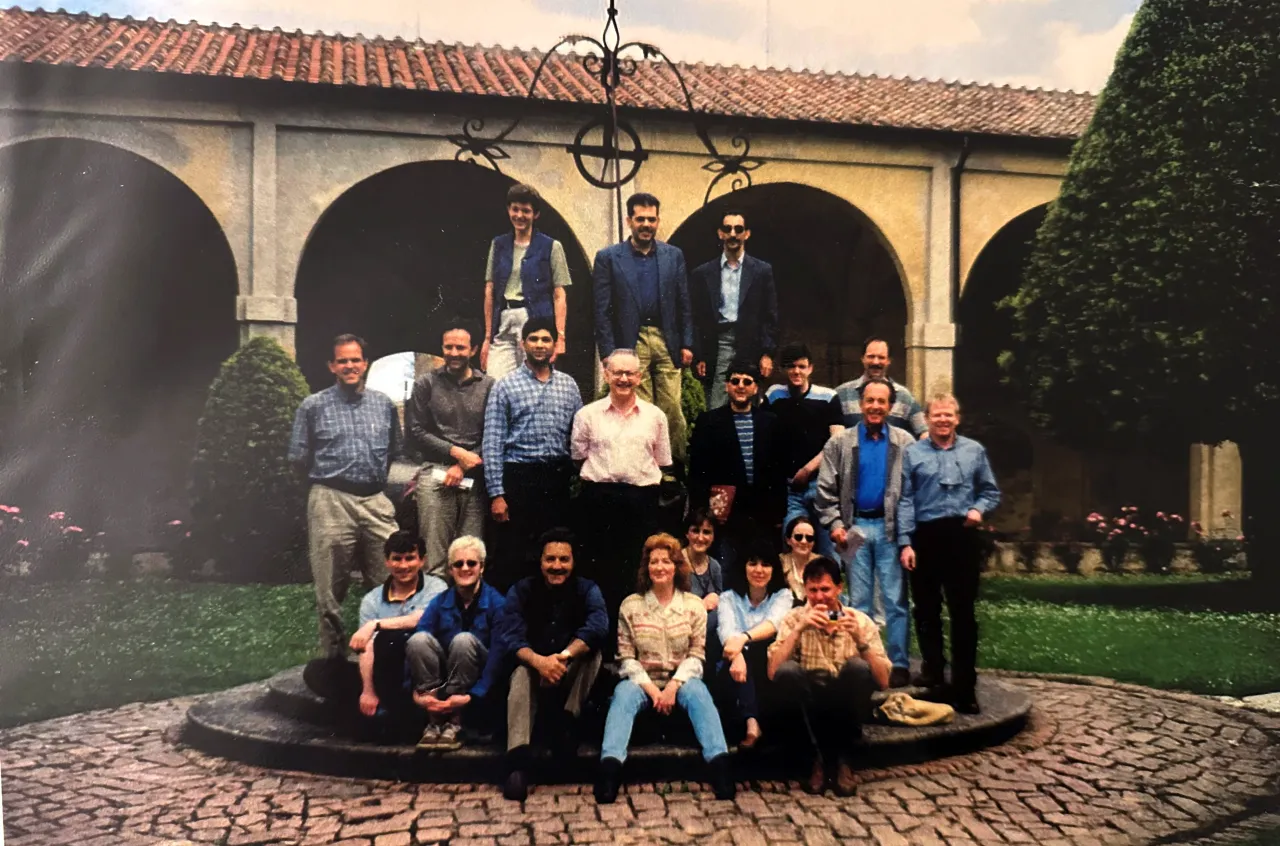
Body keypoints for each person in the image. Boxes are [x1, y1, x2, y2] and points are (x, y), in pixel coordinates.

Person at [594, 534, 734, 804]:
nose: (660, 567)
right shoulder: (631, 605)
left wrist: (673, 686)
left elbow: (696, 656)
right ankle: (610, 768)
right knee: (623, 695)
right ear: (646, 567)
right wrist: (651, 690)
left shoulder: (693, 606)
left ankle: (720, 765)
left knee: (699, 694)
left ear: (677, 567)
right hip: (642, 681)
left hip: (681, 679)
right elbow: (626, 658)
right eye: (654, 562)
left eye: (666, 561)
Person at [289, 333, 401, 659]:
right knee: (330, 589)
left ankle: (385, 658)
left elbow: (394, 451)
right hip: (331, 499)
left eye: (355, 360)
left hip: (375, 501)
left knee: (390, 580)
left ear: (365, 364)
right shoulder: (313, 406)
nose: (350, 366)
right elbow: (298, 459)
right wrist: (323, 492)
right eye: (342, 361)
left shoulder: (384, 405)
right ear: (332, 366)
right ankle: (333, 662)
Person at [898, 392, 1001, 714]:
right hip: (925, 536)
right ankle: (934, 675)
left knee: (963, 613)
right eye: (937, 415)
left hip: (962, 536)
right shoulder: (913, 453)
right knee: (926, 610)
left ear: (957, 418)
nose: (943, 420)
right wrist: (906, 542)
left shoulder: (974, 451)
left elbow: (990, 491)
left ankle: (964, 686)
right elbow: (905, 499)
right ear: (927, 419)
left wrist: (978, 509)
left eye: (948, 415)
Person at [815, 378, 916, 688]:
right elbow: (825, 490)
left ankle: (898, 664)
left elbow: (911, 492)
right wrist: (835, 525)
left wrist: (906, 536)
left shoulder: (904, 442)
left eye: (881, 401)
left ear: (890, 406)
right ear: (861, 404)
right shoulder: (840, 443)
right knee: (859, 601)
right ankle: (864, 662)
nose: (875, 406)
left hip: (889, 528)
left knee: (895, 600)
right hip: (854, 528)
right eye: (869, 400)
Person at [496, 528, 608, 800]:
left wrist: (562, 658)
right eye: (550, 559)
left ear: (573, 561)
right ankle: (517, 762)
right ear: (540, 561)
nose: (557, 566)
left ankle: (566, 725)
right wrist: (539, 663)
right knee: (520, 673)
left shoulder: (587, 589)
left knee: (592, 653)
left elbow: (598, 625)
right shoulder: (521, 590)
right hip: (534, 674)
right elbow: (510, 635)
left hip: (569, 676)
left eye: (564, 559)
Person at [767, 556, 890, 796]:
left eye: (825, 589)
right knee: (788, 671)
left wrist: (861, 641)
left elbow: (884, 681)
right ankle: (818, 759)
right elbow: (773, 671)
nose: (820, 597)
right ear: (805, 590)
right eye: (813, 590)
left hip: (844, 701)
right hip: (810, 701)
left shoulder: (859, 620)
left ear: (839, 588)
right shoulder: (794, 618)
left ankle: (843, 760)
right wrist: (799, 630)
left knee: (858, 667)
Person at [482, 317, 583, 592]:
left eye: (546, 339)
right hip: (519, 479)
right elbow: (492, 443)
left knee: (555, 553)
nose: (540, 345)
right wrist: (497, 494)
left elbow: (578, 437)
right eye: (534, 339)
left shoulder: (568, 386)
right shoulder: (505, 386)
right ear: (522, 344)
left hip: (557, 480)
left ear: (555, 345)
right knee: (515, 555)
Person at [592, 192, 694, 463]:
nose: (646, 225)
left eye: (651, 219)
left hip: (666, 339)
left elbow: (684, 302)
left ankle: (672, 469)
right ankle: (643, 466)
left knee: (672, 408)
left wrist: (687, 343)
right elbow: (601, 311)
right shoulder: (609, 258)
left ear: (658, 220)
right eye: (640, 219)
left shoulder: (673, 256)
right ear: (629, 221)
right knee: (641, 408)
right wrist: (608, 352)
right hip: (631, 342)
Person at [570, 348, 670, 615]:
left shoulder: (655, 417)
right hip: (599, 500)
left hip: (641, 502)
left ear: (639, 377)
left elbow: (661, 459)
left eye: (629, 373)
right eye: (617, 373)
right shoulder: (587, 415)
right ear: (606, 375)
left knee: (637, 569)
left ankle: (634, 629)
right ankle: (601, 629)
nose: (623, 379)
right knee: (598, 568)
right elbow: (578, 457)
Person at [406, 319, 494, 577]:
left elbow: (494, 432)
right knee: (435, 560)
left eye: (460, 347)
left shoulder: (489, 386)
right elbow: (416, 430)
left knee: (470, 556)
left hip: (474, 477)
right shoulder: (426, 384)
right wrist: (454, 452)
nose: (454, 353)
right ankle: (436, 602)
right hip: (435, 474)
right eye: (448, 347)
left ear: (473, 349)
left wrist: (464, 464)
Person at [407, 535, 507, 749]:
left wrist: (474, 695)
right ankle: (434, 723)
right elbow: (416, 646)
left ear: (482, 567)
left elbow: (499, 657)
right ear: (450, 570)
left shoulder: (497, 604)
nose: (465, 568)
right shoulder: (439, 602)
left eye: (471, 563)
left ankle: (456, 724)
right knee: (418, 639)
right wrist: (415, 692)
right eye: (458, 564)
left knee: (463, 640)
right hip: (442, 681)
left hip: (478, 686)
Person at [687, 360, 784, 570]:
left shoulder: (770, 422)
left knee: (759, 569)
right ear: (727, 386)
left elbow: (778, 470)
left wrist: (778, 512)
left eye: (747, 382)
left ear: (755, 388)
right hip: (724, 514)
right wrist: (702, 512)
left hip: (761, 512)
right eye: (735, 381)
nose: (741, 386)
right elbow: (697, 471)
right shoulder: (709, 421)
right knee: (726, 569)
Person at [346, 531, 448, 722]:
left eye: (410, 558)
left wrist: (375, 624)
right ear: (387, 561)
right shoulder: (372, 599)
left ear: (422, 561)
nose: (403, 566)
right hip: (386, 670)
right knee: (321, 671)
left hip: (427, 671)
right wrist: (368, 691)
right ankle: (378, 703)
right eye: (397, 559)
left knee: (391, 638)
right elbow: (366, 647)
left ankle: (390, 714)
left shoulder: (437, 587)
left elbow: (420, 618)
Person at [481, 183, 572, 380]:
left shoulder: (551, 246)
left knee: (533, 379)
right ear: (508, 210)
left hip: (534, 320)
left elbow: (559, 294)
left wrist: (560, 337)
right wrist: (487, 338)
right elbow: (490, 290)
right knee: (496, 380)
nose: (519, 215)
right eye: (515, 209)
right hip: (504, 318)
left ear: (535, 214)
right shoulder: (498, 245)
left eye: (526, 211)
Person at [690, 210, 778, 409]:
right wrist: (699, 355)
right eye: (727, 229)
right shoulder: (703, 273)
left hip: (750, 343)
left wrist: (767, 353)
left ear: (747, 234)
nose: (733, 234)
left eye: (738, 229)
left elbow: (770, 315)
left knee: (750, 403)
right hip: (719, 343)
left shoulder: (761, 271)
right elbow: (696, 318)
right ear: (720, 233)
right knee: (717, 403)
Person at [763, 343, 845, 557]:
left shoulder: (828, 397)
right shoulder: (774, 396)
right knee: (792, 550)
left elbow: (837, 442)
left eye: (801, 366)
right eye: (791, 366)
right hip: (790, 489)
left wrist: (808, 469)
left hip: (821, 486)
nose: (796, 371)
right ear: (783, 369)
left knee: (827, 553)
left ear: (810, 368)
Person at [715, 537, 792, 748]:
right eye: (752, 563)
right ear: (744, 567)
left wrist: (743, 640)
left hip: (766, 668)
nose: (759, 570)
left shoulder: (783, 596)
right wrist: (737, 655)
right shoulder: (728, 598)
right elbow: (726, 630)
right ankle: (752, 724)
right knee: (739, 659)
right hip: (734, 670)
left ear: (773, 569)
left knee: (756, 650)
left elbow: (773, 624)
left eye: (765, 564)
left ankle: (753, 724)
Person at [834, 337, 927, 437]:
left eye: (881, 357)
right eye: (871, 356)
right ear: (862, 359)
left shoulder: (904, 396)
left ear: (889, 360)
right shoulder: (842, 394)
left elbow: (924, 432)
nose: (876, 362)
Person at [680, 508, 723, 666]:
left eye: (706, 532)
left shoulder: (715, 566)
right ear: (687, 534)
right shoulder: (676, 563)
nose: (700, 537)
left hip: (707, 635)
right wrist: (701, 605)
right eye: (695, 531)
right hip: (680, 628)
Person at [779, 515, 819, 605]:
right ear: (788, 540)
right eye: (798, 537)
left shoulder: (823, 565)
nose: (804, 541)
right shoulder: (779, 563)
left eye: (809, 538)